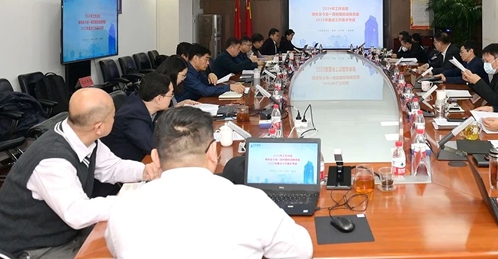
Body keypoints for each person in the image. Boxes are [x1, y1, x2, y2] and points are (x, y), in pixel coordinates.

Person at [106, 106, 313, 259]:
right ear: (214, 152)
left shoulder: (123, 209)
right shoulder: (252, 203)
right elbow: (301, 252)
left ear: (155, 158)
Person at [0, 88, 160, 258]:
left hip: (65, 231)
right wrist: (132, 201)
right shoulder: (53, 162)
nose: (115, 119)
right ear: (98, 127)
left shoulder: (82, 135)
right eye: (113, 116)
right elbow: (77, 213)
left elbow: (111, 167)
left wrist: (144, 171)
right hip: (34, 245)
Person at [96, 74, 173, 196]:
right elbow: (153, 145)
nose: (172, 98)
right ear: (158, 99)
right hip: (115, 181)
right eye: (171, 95)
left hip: (136, 163)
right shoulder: (132, 117)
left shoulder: (140, 102)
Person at [175, 44, 245, 102]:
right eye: (206, 59)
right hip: (184, 108)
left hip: (197, 102)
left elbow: (208, 85)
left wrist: (210, 74)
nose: (208, 63)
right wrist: (229, 87)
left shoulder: (198, 70)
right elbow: (204, 90)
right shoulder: (187, 73)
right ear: (196, 58)